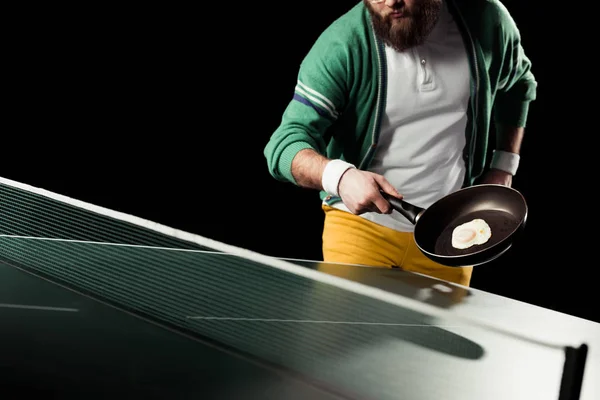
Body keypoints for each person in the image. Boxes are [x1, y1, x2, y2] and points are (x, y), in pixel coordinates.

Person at [263, 0, 536, 287]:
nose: (391, 1)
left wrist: (504, 165)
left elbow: (520, 85)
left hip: (451, 234)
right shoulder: (342, 44)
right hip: (361, 230)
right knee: (346, 333)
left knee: (437, 334)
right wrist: (341, 177)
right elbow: (284, 145)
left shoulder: (486, 19)